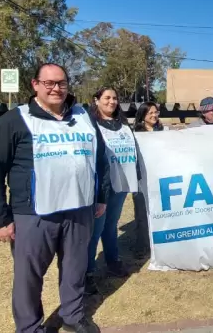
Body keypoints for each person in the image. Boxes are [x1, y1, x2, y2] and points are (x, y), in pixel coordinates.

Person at [0, 63, 110, 333]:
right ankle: (29, 327)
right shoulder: (15, 120)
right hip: (34, 214)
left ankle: (73, 317)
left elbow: (100, 160)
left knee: (75, 270)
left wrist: (100, 197)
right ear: (35, 84)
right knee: (29, 278)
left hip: (79, 210)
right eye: (49, 83)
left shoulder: (84, 116)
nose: (56, 88)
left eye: (61, 83)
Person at [87, 87, 141, 294]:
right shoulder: (90, 125)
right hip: (101, 186)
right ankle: (88, 272)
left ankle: (112, 260)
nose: (112, 102)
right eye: (107, 98)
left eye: (115, 98)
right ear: (96, 100)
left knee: (111, 225)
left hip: (121, 184)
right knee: (95, 230)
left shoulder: (123, 123)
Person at [131, 102, 167, 259]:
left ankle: (160, 242)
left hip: (159, 178)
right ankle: (142, 245)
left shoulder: (164, 131)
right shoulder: (134, 134)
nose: (154, 115)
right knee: (141, 214)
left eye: (156, 112)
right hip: (141, 179)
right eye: (150, 113)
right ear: (143, 115)